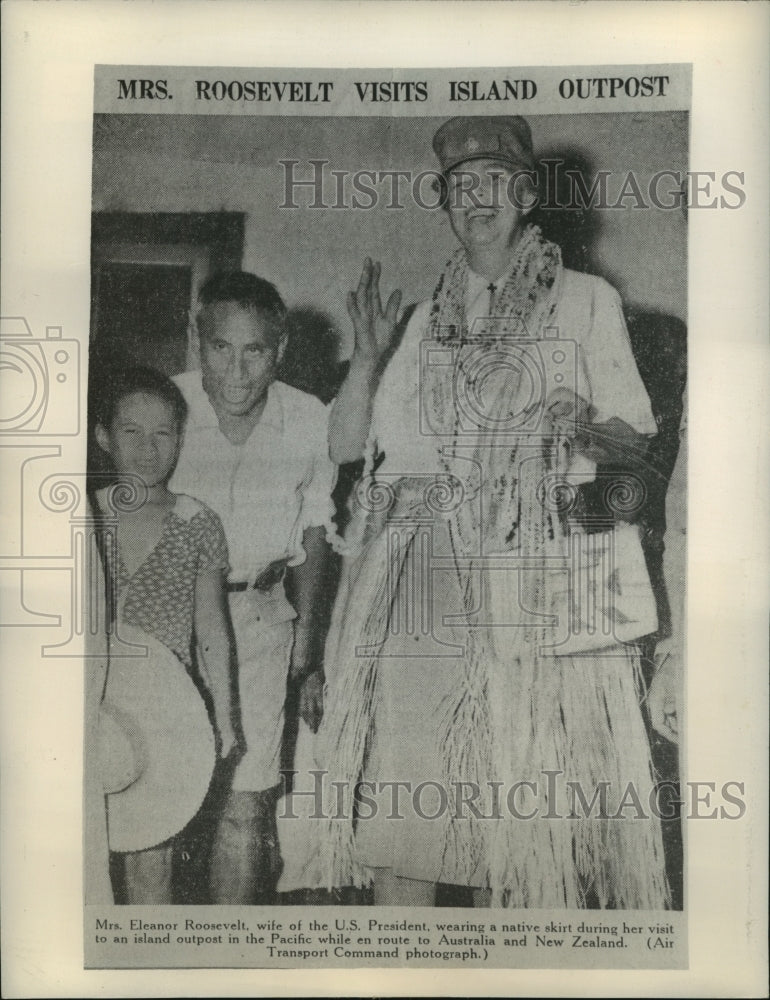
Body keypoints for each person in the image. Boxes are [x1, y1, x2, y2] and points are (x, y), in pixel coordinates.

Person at [307, 116, 670, 908]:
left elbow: (636, 441)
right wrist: (366, 357)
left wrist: (580, 421)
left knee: (523, 806)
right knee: (409, 789)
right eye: (460, 186)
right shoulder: (423, 320)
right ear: (444, 203)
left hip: (538, 565)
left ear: (528, 196)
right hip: (424, 572)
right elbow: (348, 447)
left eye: (495, 182)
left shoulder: (587, 300)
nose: (477, 199)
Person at [170, 271, 335, 904]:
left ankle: (228, 951)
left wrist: (307, 639)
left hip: (263, 620)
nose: (237, 372)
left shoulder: (309, 417)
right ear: (198, 340)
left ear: (281, 348)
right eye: (221, 348)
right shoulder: (167, 408)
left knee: (247, 801)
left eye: (255, 351)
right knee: (166, 796)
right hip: (173, 621)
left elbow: (317, 527)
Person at [91, 365, 235, 903]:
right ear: (103, 436)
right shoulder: (80, 515)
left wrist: (226, 716)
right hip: (89, 703)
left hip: (166, 712)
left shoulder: (198, 522)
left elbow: (212, 628)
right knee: (80, 862)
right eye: (131, 431)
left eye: (163, 433)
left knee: (151, 866)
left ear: (180, 439)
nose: (148, 448)